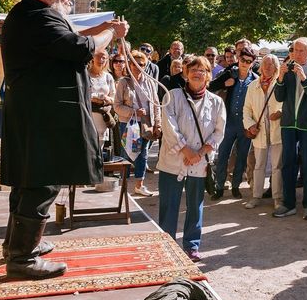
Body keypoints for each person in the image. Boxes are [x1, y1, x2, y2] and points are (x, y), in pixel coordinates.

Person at [0, 0, 129, 279]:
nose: (70, 2)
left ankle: (16, 244)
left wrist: (102, 29)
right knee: (41, 180)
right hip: (43, 115)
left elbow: (69, 33)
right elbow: (80, 46)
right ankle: (23, 257)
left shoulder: (29, 15)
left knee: (28, 179)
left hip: (35, 112)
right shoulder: (39, 19)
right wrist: (109, 34)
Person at [159, 56, 226, 262]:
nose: (198, 73)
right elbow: (169, 127)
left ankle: (192, 246)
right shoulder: (172, 96)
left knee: (195, 205)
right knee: (169, 204)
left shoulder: (216, 102)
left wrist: (200, 153)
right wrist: (186, 150)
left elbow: (218, 131)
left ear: (208, 75)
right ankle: (167, 244)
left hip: (200, 162)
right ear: (186, 74)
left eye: (203, 70)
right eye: (194, 69)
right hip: (173, 161)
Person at [273, 37, 307, 219]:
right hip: (288, 123)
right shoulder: (287, 69)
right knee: (288, 163)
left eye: (301, 50)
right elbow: (279, 97)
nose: (297, 53)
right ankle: (288, 204)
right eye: (295, 50)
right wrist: (280, 77)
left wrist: (304, 78)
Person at [208, 46, 258, 200]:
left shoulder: (255, 79)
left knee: (242, 157)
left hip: (245, 124)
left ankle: (236, 186)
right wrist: (225, 84)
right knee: (223, 155)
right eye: (242, 60)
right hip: (228, 122)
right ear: (239, 59)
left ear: (252, 62)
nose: (245, 63)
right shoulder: (229, 73)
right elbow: (210, 86)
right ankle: (219, 186)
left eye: (248, 61)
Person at [115, 50, 161, 197]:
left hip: (146, 125)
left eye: (140, 64)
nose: (137, 67)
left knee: (143, 154)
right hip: (129, 124)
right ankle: (123, 186)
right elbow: (117, 106)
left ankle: (139, 185)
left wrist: (157, 124)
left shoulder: (150, 82)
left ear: (145, 66)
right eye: (134, 64)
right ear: (129, 65)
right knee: (127, 154)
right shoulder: (123, 82)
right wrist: (134, 112)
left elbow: (156, 105)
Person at [243, 54, 283, 209]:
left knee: (277, 166)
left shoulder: (280, 83)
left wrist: (280, 112)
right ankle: (255, 196)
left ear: (276, 67)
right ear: (260, 67)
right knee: (258, 165)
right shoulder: (253, 85)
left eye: (271, 65)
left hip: (276, 130)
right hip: (259, 131)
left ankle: (278, 198)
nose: (267, 68)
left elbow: (287, 104)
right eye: (265, 64)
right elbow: (246, 109)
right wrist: (250, 125)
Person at [86, 49, 118, 159]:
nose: (101, 59)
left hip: (103, 118)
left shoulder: (108, 76)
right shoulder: (85, 75)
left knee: (98, 152)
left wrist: (104, 99)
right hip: (88, 117)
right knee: (87, 151)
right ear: (92, 58)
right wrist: (93, 98)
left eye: (104, 57)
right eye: (98, 56)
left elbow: (113, 98)